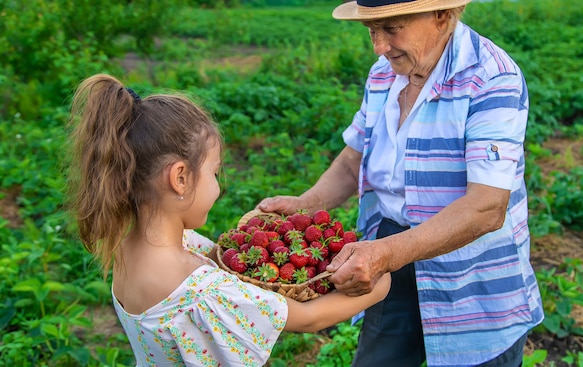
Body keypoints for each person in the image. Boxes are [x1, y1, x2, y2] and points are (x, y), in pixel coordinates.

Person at [257, 0, 544, 366]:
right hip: (388, 249)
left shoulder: (490, 77)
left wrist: (385, 253)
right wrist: (305, 203)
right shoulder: (384, 72)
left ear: (442, 15)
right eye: (372, 31)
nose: (379, 46)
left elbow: (486, 207)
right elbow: (352, 160)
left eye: (392, 28)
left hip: (471, 269)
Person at [65, 73, 391, 367]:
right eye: (214, 172)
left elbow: (228, 269)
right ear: (180, 178)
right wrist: (382, 282)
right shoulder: (199, 288)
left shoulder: (127, 247)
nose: (218, 185)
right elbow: (307, 318)